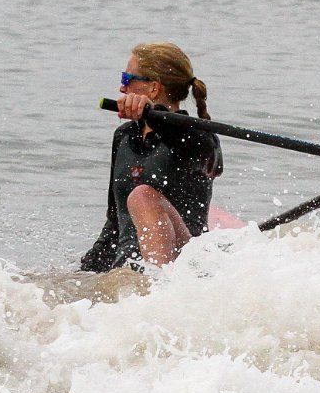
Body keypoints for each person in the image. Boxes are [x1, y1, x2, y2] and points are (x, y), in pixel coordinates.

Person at [79, 42, 223, 272]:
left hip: (185, 269)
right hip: (125, 270)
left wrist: (157, 116)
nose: (121, 88)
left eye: (127, 79)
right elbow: (115, 223)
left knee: (142, 196)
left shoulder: (198, 136)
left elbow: (211, 161)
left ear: (154, 88)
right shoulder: (124, 136)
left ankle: (156, 285)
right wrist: (84, 276)